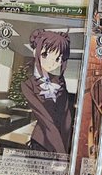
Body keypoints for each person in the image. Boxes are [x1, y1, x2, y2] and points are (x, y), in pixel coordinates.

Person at [20, 29, 75, 157]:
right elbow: (45, 119)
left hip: (63, 141)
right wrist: (61, 153)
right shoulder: (27, 85)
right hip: (42, 142)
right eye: (45, 54)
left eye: (58, 59)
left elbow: (67, 117)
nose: (52, 63)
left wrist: (66, 146)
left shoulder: (59, 81)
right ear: (35, 52)